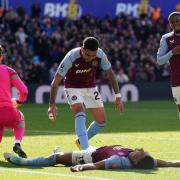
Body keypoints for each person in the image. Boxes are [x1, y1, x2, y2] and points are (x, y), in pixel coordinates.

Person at [47, 37, 124, 150]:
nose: (90, 58)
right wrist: (51, 104)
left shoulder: (100, 54)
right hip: (72, 87)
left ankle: (80, 142)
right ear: (82, 49)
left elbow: (110, 74)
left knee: (101, 122)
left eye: (93, 56)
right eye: (88, 55)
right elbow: (56, 81)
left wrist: (118, 96)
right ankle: (86, 149)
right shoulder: (71, 56)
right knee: (80, 111)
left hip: (90, 87)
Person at [4, 144, 180, 172]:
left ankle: (23, 161)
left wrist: (82, 167)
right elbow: (170, 163)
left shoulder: (120, 160)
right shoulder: (143, 159)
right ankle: (61, 151)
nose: (142, 149)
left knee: (56, 158)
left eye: (141, 153)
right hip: (94, 149)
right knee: (61, 154)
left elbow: (97, 165)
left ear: (136, 161)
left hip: (88, 156)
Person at [0, 45, 28, 158]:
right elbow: (24, 91)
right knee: (20, 119)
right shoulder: (8, 70)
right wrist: (19, 101)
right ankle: (17, 142)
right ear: (1, 56)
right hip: (7, 111)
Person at [157, 12, 180, 119]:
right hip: (177, 80)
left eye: (177, 20)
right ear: (170, 24)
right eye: (172, 22)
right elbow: (159, 60)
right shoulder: (166, 38)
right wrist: (172, 52)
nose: (175, 23)